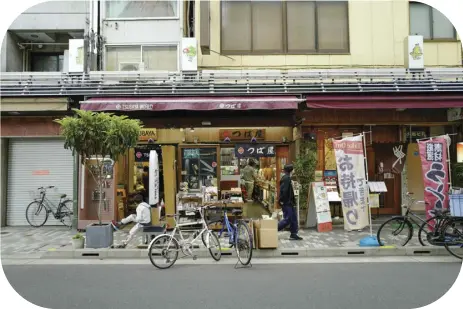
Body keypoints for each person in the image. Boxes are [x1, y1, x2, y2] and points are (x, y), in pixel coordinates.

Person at [278, 164, 303, 240]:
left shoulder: (287, 178)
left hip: (289, 202)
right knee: (288, 219)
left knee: (293, 218)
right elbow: (284, 191)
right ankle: (274, 229)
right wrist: (281, 200)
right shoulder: (287, 179)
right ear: (291, 170)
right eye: (293, 169)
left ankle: (293, 233)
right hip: (287, 202)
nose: (294, 170)